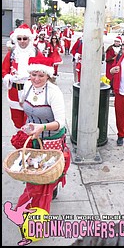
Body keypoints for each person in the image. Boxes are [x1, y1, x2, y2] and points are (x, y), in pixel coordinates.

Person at [15, 55, 70, 213]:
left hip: (51, 139)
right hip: (33, 137)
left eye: (41, 75)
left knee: (45, 173)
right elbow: (23, 106)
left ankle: (45, 194)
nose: (36, 79)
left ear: (48, 76)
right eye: (34, 74)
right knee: (34, 170)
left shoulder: (54, 92)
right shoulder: (27, 86)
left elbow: (60, 122)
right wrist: (29, 126)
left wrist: (41, 127)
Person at [2, 23, 44, 131]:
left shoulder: (35, 53)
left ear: (29, 39)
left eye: (24, 38)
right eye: (19, 38)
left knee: (30, 119)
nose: (22, 41)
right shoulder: (12, 53)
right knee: (16, 119)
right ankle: (20, 140)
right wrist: (8, 77)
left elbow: (44, 70)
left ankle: (29, 142)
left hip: (31, 91)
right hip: (15, 92)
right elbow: (4, 70)